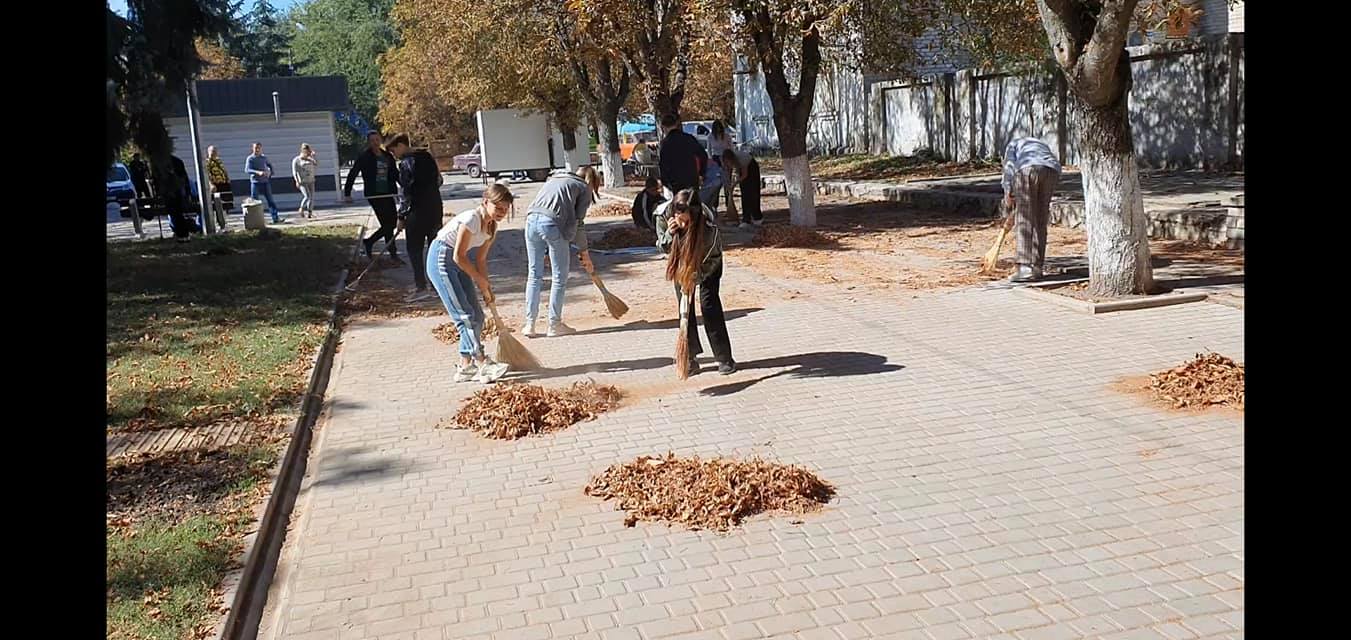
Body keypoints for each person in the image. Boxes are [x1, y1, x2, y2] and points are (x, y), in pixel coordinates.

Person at [427, 183, 515, 384]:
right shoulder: (471, 219)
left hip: (461, 263)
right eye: (498, 208)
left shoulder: (492, 227)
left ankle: (465, 366)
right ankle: (483, 362)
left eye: (505, 209)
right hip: (441, 260)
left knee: (478, 315)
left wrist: (487, 287)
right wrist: (478, 278)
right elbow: (458, 255)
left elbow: (481, 260)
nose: (502, 213)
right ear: (486, 202)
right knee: (465, 316)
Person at [654, 188, 736, 375]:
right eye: (677, 214)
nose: (680, 220)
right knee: (685, 308)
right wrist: (669, 234)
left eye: (685, 217)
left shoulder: (707, 225)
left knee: (709, 305)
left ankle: (724, 358)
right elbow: (663, 247)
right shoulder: (662, 216)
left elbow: (712, 256)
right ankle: (689, 358)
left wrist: (695, 277)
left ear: (695, 214)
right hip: (680, 263)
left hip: (708, 263)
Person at [521, 166, 602, 337]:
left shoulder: (555, 179)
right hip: (551, 224)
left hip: (530, 221)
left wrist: (546, 252)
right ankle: (554, 324)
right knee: (559, 277)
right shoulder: (583, 188)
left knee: (534, 274)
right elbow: (578, 223)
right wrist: (584, 252)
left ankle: (530, 325)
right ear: (592, 182)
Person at [387, 134, 444, 301]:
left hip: (416, 214)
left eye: (393, 150)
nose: (394, 155)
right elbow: (439, 181)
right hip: (434, 209)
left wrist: (401, 216)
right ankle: (436, 286)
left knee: (414, 250)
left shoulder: (406, 163)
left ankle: (421, 287)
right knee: (435, 249)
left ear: (401, 145)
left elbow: (406, 192)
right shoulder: (427, 157)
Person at [1001, 137, 1062, 283]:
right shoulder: (1041, 143)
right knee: (1041, 219)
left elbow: (1009, 167)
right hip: (1052, 170)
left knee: (1025, 219)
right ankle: (1037, 267)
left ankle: (1025, 267)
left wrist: (1007, 190)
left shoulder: (1013, 144)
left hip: (1027, 168)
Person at [344, 131, 402, 262]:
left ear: (380, 140)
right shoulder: (364, 157)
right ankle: (393, 254)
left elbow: (395, 173)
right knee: (387, 224)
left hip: (389, 192)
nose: (375, 143)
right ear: (368, 142)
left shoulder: (387, 156)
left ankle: (370, 242)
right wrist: (347, 193)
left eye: (377, 140)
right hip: (374, 194)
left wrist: (404, 187)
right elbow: (353, 173)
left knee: (392, 223)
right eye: (372, 140)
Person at [657, 113, 707, 203]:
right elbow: (703, 155)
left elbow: (663, 164)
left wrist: (666, 182)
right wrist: (701, 174)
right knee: (694, 204)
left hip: (675, 181)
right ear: (676, 124)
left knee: (680, 206)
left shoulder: (665, 143)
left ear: (663, 127)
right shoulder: (689, 138)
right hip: (691, 177)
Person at [720, 147, 763, 229]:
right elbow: (729, 171)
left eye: (728, 162)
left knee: (753, 193)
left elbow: (745, 175)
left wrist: (734, 184)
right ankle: (746, 219)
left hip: (752, 168)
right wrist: (729, 183)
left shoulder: (742, 159)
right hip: (742, 171)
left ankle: (757, 217)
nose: (727, 163)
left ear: (731, 159)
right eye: (726, 162)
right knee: (744, 194)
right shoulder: (725, 161)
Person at [244, 142, 283, 224]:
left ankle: (275, 218)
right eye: (255, 148)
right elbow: (247, 170)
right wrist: (258, 172)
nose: (257, 150)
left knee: (270, 201)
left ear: (261, 149)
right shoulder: (250, 158)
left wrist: (271, 172)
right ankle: (256, 220)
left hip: (265, 182)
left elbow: (270, 165)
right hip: (255, 183)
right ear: (252, 148)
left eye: (258, 148)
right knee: (255, 202)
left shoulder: (264, 158)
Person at [708, 120, 738, 218]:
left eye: (719, 129)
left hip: (726, 158)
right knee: (716, 184)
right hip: (715, 160)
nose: (718, 131)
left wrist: (731, 160)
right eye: (716, 130)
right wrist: (711, 162)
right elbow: (709, 150)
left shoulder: (727, 136)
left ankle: (729, 206)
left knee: (727, 184)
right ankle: (714, 207)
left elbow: (731, 148)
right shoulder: (710, 137)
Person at [292, 143, 319, 219]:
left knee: (312, 197)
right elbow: (294, 172)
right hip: (302, 181)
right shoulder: (297, 160)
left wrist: (314, 156)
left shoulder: (310, 159)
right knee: (307, 196)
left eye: (308, 150)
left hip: (311, 179)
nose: (306, 152)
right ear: (302, 150)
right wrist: (296, 180)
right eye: (305, 150)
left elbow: (316, 163)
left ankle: (310, 212)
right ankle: (301, 208)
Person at [205, 145, 233, 218]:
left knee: (227, 202)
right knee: (217, 203)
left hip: (223, 183)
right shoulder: (207, 162)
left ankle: (225, 216)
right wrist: (211, 184)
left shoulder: (218, 160)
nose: (214, 153)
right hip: (216, 184)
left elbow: (224, 170)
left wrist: (227, 178)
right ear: (208, 152)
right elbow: (207, 174)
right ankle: (218, 218)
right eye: (212, 151)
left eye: (215, 151)